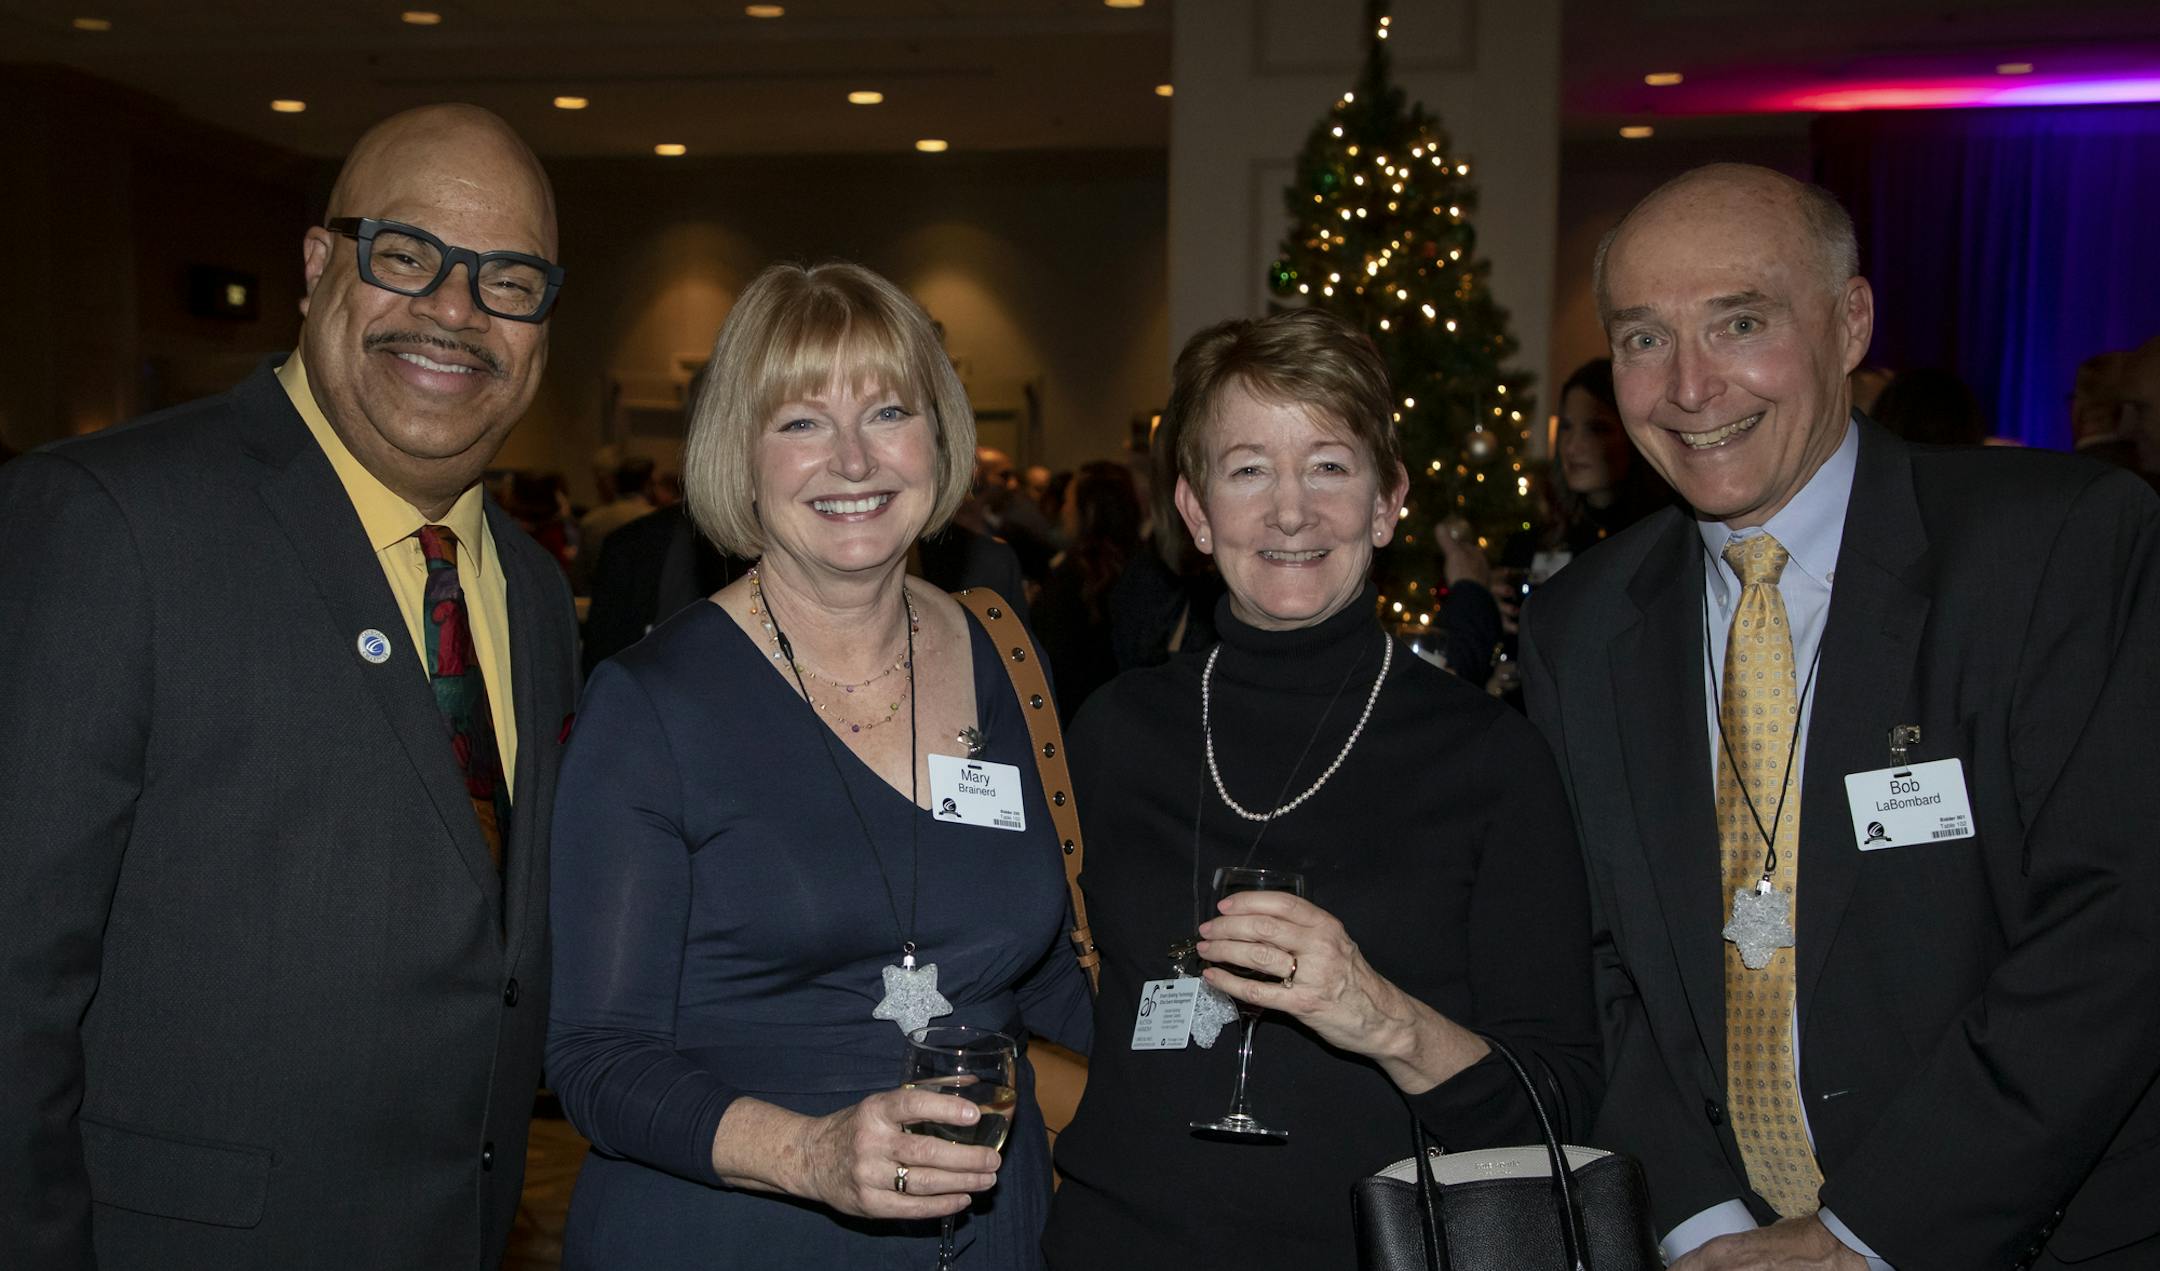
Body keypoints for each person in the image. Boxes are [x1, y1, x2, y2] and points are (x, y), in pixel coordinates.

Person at [1521, 163, 2160, 1269]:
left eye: (1739, 322)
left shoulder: (2058, 549)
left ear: (1851, 321)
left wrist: (1862, 1234)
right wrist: (1707, 1225)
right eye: (1641, 339)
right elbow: (1594, 970)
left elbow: (2120, 927)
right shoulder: (1580, 626)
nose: (1688, 387)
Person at [0, 104, 579, 1269]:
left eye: (508, 279)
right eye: (408, 255)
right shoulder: (111, 522)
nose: (456, 311)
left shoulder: (528, 588)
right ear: (318, 267)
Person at [546, 260, 1092, 1270]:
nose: (852, 458)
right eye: (801, 421)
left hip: (982, 1231)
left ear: (940, 437)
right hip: (740, 1229)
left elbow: (1045, 967)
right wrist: (811, 1152)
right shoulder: (654, 705)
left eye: (888, 409)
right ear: (739, 457)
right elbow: (595, 1059)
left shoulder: (1007, 657)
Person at [1043, 308, 1601, 1271]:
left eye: (1330, 466)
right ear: (1194, 509)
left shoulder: (1488, 758)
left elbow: (1556, 1098)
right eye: (1249, 467)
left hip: (1379, 1251)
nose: (1289, 511)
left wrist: (1379, 1015)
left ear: (1387, 504)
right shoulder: (1112, 734)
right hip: (1118, 1245)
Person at [1029, 459, 1144, 724]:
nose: (1064, 509)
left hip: (1078, 716)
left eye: (1068, 501)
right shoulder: (1144, 564)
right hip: (1130, 714)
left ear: (1087, 510)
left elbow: (1053, 659)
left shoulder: (1073, 574)